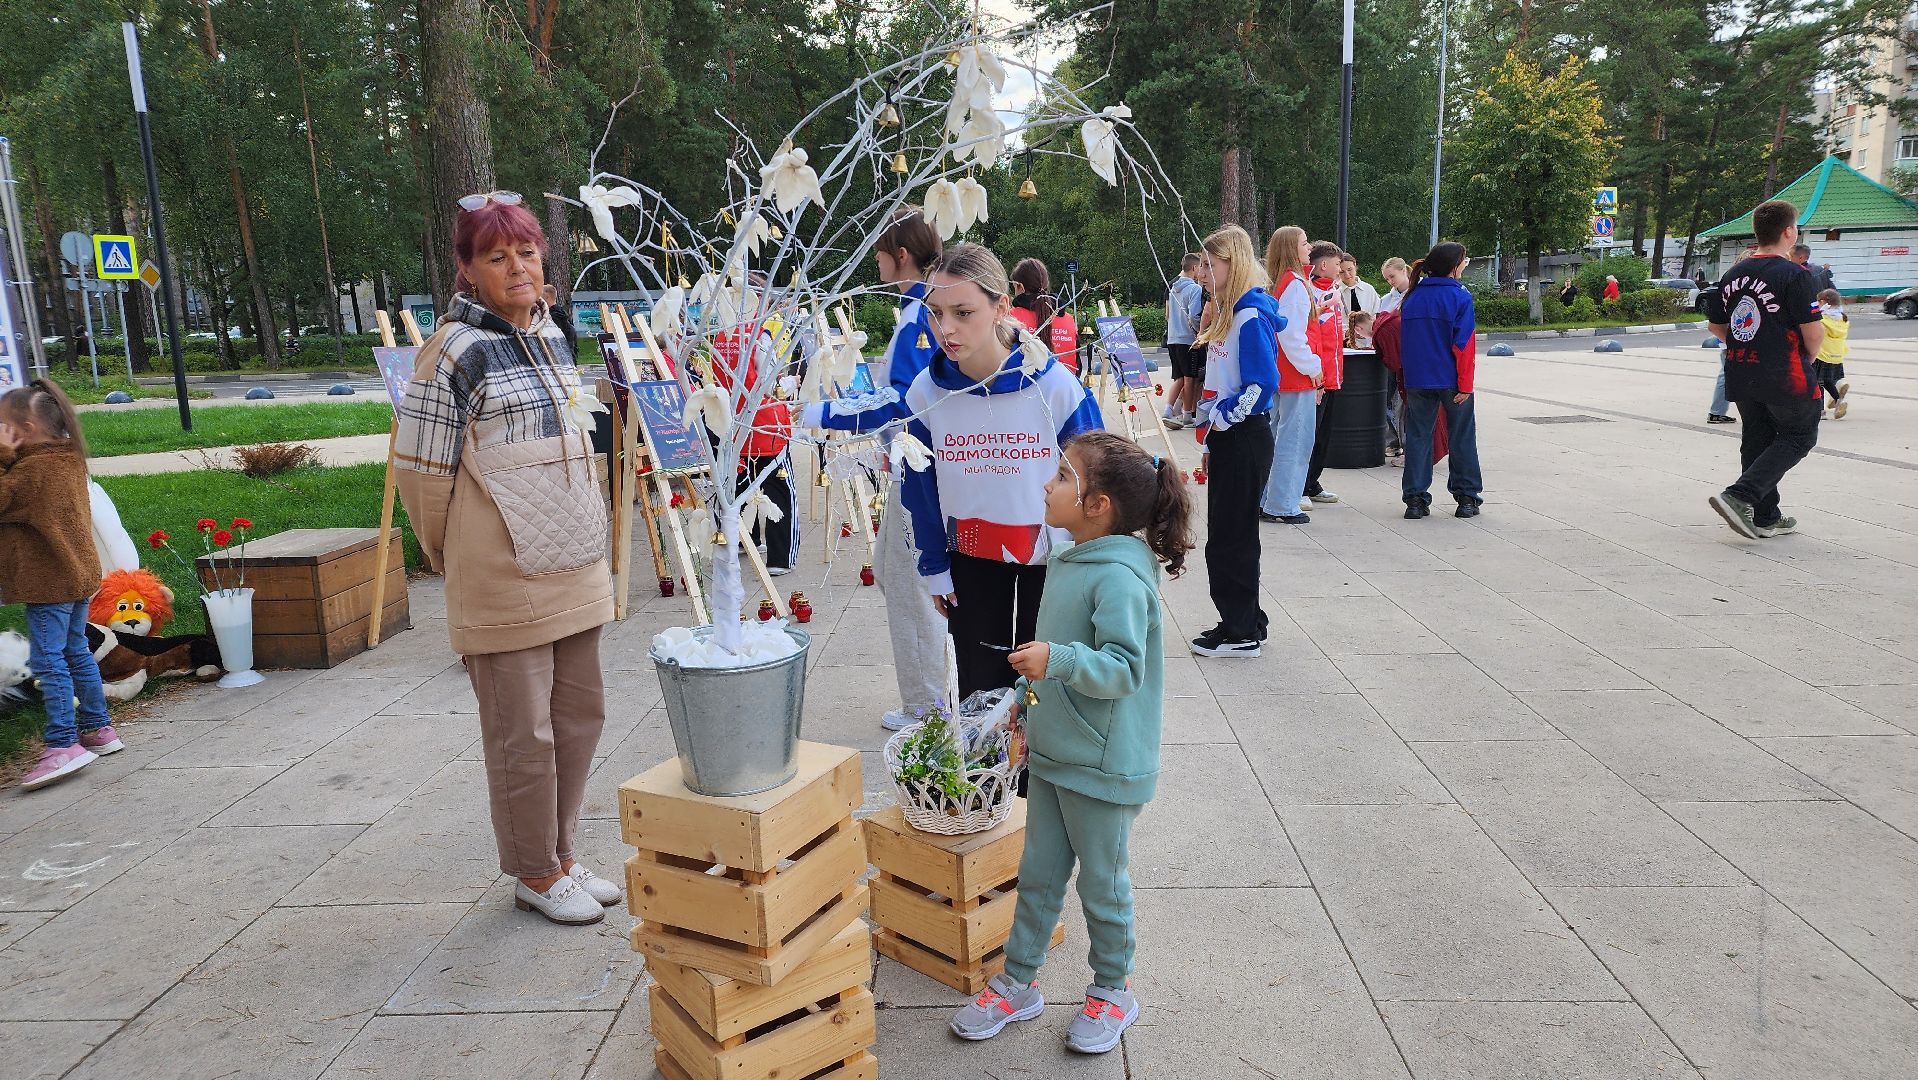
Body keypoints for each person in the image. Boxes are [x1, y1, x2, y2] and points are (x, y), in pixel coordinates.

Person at [394, 192, 619, 927]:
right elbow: (423, 479)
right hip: (504, 574)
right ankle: (533, 870)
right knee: (523, 732)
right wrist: (457, 553)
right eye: (496, 256)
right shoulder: (451, 352)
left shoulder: (553, 334)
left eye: (525, 251)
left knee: (580, 715)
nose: (517, 266)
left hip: (574, 562)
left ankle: (559, 851)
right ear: (467, 269)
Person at [947, 431, 1190, 1054]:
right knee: (1038, 874)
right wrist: (1030, 709)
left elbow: (1123, 669)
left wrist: (1056, 659)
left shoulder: (1120, 579)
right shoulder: (1074, 558)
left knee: (1102, 886)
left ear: (1096, 505)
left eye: (1061, 477)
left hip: (1103, 764)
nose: (1046, 485)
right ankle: (1019, 981)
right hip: (1058, 752)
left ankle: (1113, 988)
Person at [900, 243, 1102, 696]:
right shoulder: (926, 393)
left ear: (1001, 307)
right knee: (980, 686)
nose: (945, 328)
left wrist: (1095, 564)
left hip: (1052, 560)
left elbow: (1097, 476)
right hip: (969, 558)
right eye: (934, 312)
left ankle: (1039, 770)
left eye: (963, 312)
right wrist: (933, 562)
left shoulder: (1054, 384)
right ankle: (986, 769)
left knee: (1046, 690)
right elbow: (920, 488)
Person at [800, 206, 945, 730]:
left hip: (920, 471)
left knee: (912, 588)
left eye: (880, 253)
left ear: (900, 255)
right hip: (910, 468)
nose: (876, 263)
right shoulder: (918, 306)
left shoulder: (919, 312)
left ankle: (927, 706)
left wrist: (821, 413)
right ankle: (928, 695)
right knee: (892, 573)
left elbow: (902, 403)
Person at [0, 379, 121, 791]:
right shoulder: (69, 459)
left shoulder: (31, 472)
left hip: (50, 581)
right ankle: (98, 727)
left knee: (49, 660)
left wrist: (1, 454)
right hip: (78, 576)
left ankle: (61, 744)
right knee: (74, 652)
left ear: (25, 430)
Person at [1705, 199, 1824, 540]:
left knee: (1757, 439)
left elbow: (1717, 326)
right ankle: (1740, 496)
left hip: (1742, 370)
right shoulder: (1795, 275)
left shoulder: (1733, 273)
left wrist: (1749, 343)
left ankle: (1765, 516)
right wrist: (1808, 358)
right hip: (1785, 371)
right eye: (1796, 227)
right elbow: (1813, 332)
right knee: (1799, 435)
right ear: (1788, 232)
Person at [1190, 224, 1282, 657]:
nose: (1202, 273)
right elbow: (1220, 381)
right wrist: (1211, 438)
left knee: (1232, 537)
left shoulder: (1248, 315)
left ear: (1234, 263)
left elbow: (1262, 383)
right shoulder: (1231, 313)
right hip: (1230, 437)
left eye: (1210, 265)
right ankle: (1242, 621)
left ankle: (1241, 629)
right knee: (1227, 535)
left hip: (1244, 435)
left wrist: (1224, 421)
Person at [1397, 241, 1484, 519]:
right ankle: (1466, 498)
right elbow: (1464, 346)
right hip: (1450, 379)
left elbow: (1407, 343)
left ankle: (1415, 500)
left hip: (1418, 378)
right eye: (1464, 261)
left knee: (1419, 437)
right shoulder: (1460, 297)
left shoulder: (1412, 296)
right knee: (1461, 437)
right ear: (1453, 266)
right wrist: (1466, 385)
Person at [1257, 226, 1324, 525]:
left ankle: (1269, 498)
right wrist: (1313, 366)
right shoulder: (1296, 284)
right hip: (1296, 373)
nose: (1309, 247)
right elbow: (1293, 334)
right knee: (1295, 440)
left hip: (1282, 371)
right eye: (1304, 243)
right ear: (1291, 249)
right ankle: (1283, 503)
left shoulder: (1279, 282)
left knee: (1278, 437)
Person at [1300, 242, 1350, 511]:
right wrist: (1317, 377)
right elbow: (1311, 338)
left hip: (1333, 376)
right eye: (1335, 264)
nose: (1340, 268)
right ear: (1322, 266)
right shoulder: (1310, 293)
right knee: (1309, 434)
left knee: (1323, 435)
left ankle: (1312, 481)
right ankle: (1300, 483)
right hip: (1319, 377)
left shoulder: (1333, 291)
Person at [1162, 253, 1206, 428]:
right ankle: (1187, 414)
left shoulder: (1172, 288)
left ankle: (1168, 409)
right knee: (1190, 378)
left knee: (1179, 377)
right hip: (1188, 338)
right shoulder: (1194, 289)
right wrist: (1200, 332)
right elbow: (1195, 314)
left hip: (1173, 337)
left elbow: (1168, 314)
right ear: (1194, 268)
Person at [1816, 288, 1851, 419]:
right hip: (1837, 355)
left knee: (1817, 382)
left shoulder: (1822, 318)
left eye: (1818, 301)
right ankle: (1838, 401)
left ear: (1823, 301)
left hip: (1821, 353)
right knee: (1827, 380)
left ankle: (1820, 411)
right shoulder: (1843, 318)